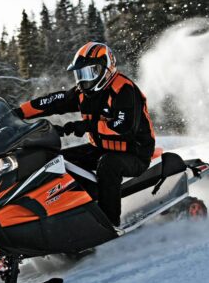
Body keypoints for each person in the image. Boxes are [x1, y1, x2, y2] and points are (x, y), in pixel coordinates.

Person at [13, 41, 155, 227]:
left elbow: (123, 128)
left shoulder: (124, 90)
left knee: (108, 165)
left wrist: (84, 126)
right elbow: (52, 101)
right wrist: (18, 113)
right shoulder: (84, 92)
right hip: (101, 148)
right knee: (58, 161)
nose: (84, 80)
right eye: (80, 74)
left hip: (134, 154)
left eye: (90, 72)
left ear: (106, 69)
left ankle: (108, 223)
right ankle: (75, 209)